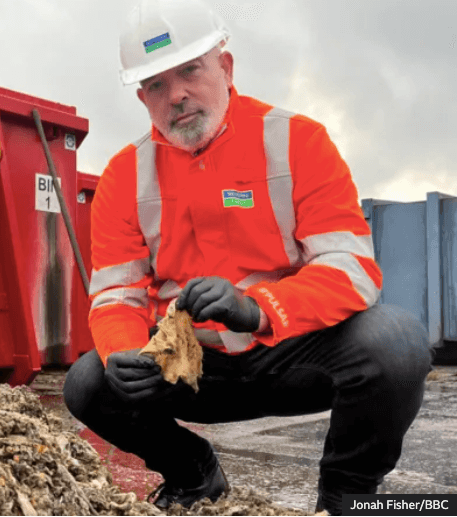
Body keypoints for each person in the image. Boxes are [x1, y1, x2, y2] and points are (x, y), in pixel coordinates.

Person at [61, 0, 433, 514]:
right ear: (143, 98)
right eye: (155, 86)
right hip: (193, 367)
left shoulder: (298, 141)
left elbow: (351, 269)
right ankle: (194, 476)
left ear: (226, 68)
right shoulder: (125, 176)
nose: (177, 95)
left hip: (294, 352)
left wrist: (257, 308)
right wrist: (123, 351)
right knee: (89, 381)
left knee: (394, 343)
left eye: (189, 70)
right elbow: (114, 294)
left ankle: (348, 497)